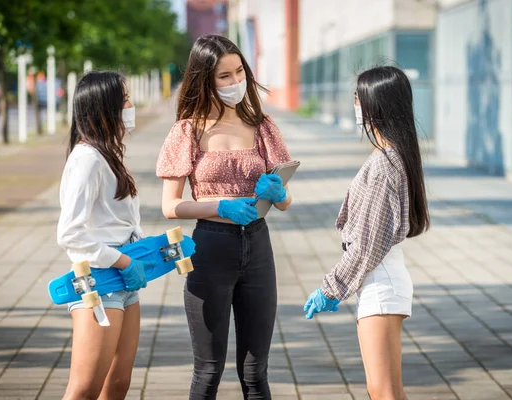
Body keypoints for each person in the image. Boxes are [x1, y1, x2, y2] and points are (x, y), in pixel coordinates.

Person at [156, 34, 292, 399]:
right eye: (224, 77)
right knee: (208, 371)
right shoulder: (187, 131)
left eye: (238, 73)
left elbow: (284, 201)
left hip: (258, 248)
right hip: (210, 249)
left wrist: (278, 193)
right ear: (204, 79)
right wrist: (219, 205)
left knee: (255, 372)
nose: (235, 83)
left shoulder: (262, 125)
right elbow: (170, 206)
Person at [303, 66, 430, 400]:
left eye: (357, 98)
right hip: (382, 278)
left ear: (374, 105)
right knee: (385, 391)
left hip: (381, 281)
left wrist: (330, 288)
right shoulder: (393, 154)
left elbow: (367, 246)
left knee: (383, 392)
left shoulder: (385, 163)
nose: (354, 105)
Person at [57, 71, 154, 400]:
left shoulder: (107, 154)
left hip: (126, 280)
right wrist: (123, 260)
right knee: (84, 388)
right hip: (100, 281)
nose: (131, 105)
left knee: (117, 384)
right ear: (103, 109)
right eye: (125, 99)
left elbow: (119, 219)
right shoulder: (86, 160)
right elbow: (70, 233)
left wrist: (141, 249)